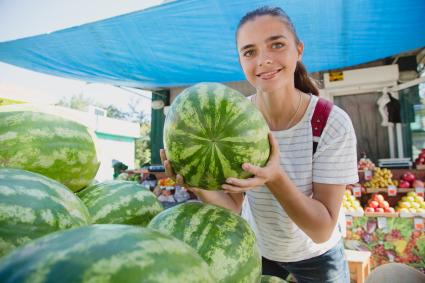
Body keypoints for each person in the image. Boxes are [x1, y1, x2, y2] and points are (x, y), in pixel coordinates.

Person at [160, 6, 358, 283]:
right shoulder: (231, 118)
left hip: (319, 261)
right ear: (240, 60)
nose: (264, 60)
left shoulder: (330, 123)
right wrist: (198, 184)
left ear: (298, 50)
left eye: (276, 44)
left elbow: (322, 229)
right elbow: (233, 207)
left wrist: (274, 176)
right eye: (250, 52)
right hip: (257, 253)